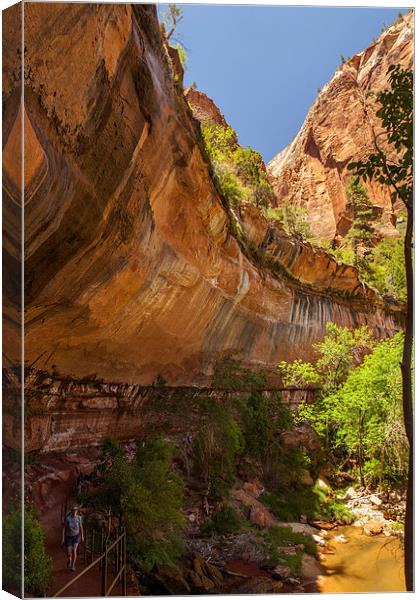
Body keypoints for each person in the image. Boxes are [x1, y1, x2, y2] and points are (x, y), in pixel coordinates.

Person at [62, 506, 84, 571]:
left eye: (76, 510)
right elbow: (64, 528)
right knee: (69, 553)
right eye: (73, 510)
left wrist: (82, 536)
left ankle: (73, 565)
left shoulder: (79, 518)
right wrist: (63, 538)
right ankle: (69, 559)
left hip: (76, 536)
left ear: (77, 511)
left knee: (74, 550)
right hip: (68, 537)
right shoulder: (68, 519)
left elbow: (81, 527)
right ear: (71, 511)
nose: (74, 512)